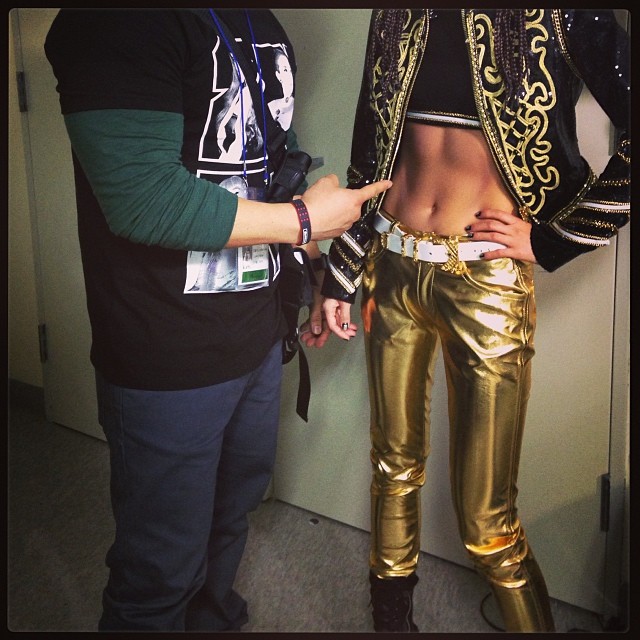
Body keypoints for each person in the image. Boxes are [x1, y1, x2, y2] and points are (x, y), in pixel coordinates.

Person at [44, 8, 390, 632]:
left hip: (258, 332)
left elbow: (268, 171)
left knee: (230, 517)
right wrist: (306, 222)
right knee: (160, 566)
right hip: (165, 350)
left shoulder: (261, 22)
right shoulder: (112, 20)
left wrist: (311, 272)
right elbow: (144, 199)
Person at [320, 8, 630, 633]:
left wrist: (552, 240)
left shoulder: (561, 13)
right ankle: (391, 625)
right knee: (392, 468)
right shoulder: (396, 14)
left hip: (486, 282)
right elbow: (370, 152)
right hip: (392, 265)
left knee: (488, 523)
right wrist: (343, 268)